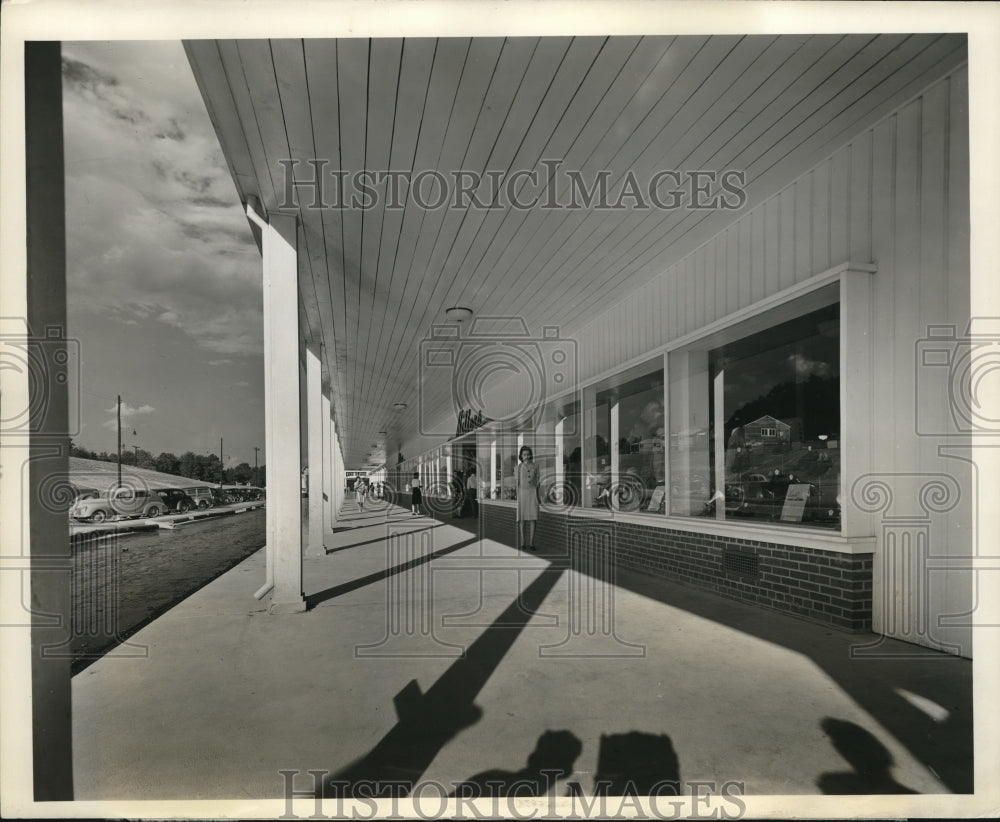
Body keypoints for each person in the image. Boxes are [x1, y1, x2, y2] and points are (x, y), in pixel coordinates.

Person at [516, 445, 540, 550]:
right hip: (522, 494)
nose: (526, 456)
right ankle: (522, 543)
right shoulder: (518, 467)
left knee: (533, 519)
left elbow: (538, 482)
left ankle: (531, 543)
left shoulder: (536, 466)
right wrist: (518, 498)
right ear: (521, 456)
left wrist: (539, 497)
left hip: (532, 493)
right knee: (522, 519)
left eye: (528, 454)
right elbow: (517, 484)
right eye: (524, 454)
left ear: (531, 455)